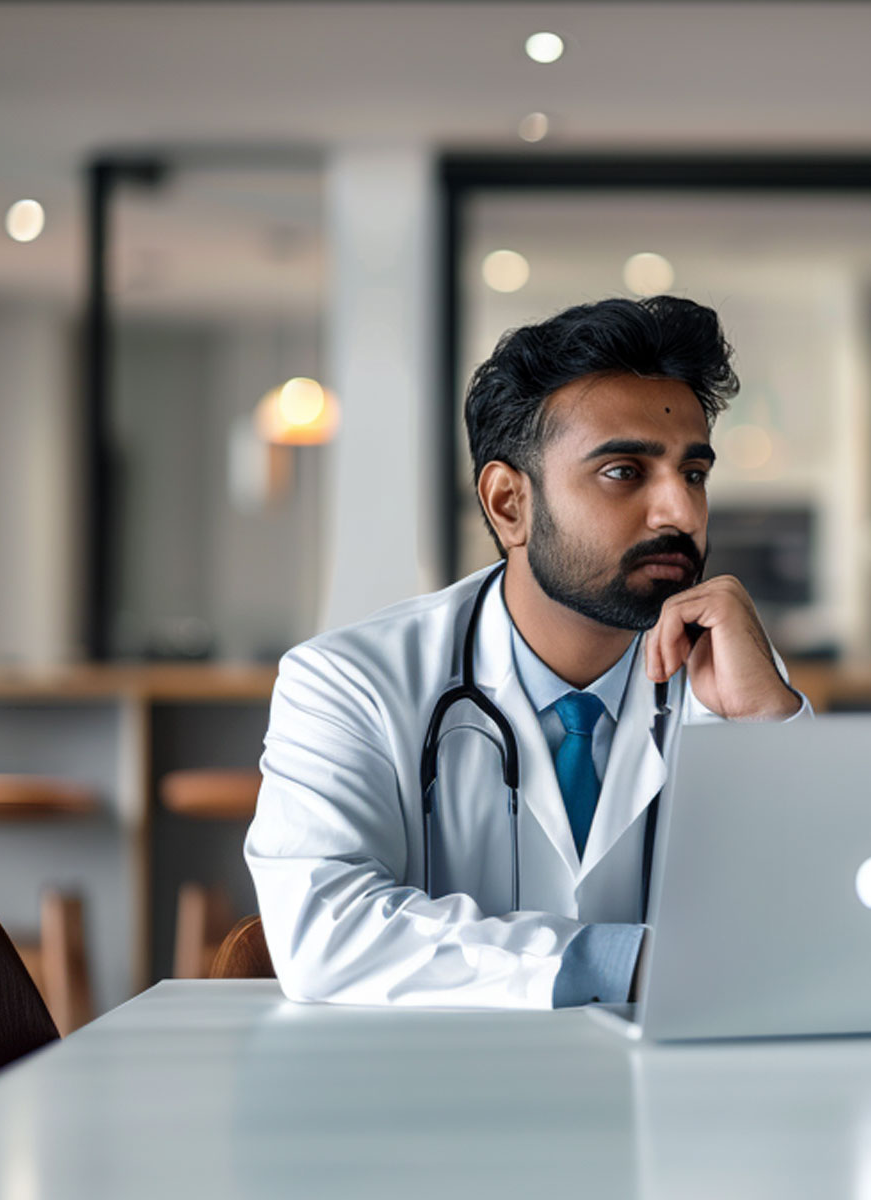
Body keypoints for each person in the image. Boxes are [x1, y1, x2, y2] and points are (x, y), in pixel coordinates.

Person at [245, 296, 808, 1009]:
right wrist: (627, 965)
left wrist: (776, 724)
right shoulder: (348, 682)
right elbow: (325, 929)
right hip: (432, 1099)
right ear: (509, 503)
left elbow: (818, 926)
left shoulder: (728, 677)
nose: (680, 513)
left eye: (693, 474)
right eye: (624, 472)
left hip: (668, 1104)